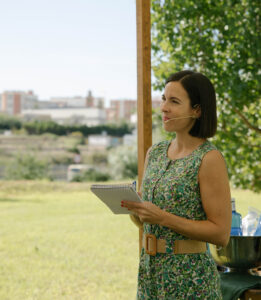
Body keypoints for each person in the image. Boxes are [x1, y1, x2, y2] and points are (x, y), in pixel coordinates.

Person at [122, 70, 231, 299]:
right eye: (163, 99)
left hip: (191, 279)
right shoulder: (155, 153)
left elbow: (221, 233)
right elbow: (149, 219)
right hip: (150, 272)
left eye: (174, 101)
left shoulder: (209, 159)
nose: (163, 107)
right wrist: (137, 210)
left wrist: (162, 217)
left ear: (197, 110)